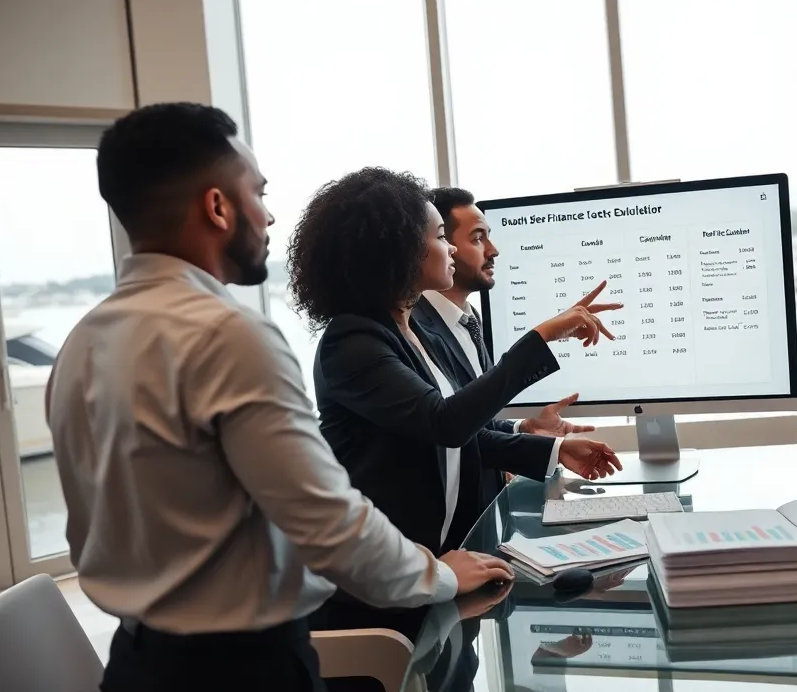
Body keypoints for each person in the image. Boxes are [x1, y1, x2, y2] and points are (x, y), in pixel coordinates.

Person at [45, 103, 511, 692]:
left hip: (137, 664)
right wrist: (438, 575)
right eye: (258, 194)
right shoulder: (228, 336)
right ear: (217, 207)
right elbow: (327, 523)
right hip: (243, 670)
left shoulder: (81, 344)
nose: (268, 217)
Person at [285, 168, 623, 635]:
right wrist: (543, 336)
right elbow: (443, 424)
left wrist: (550, 449)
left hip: (436, 569)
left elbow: (461, 435)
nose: (448, 249)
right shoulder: (353, 341)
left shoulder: (408, 332)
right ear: (401, 253)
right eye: (441, 236)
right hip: (382, 588)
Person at [416, 187, 595, 516]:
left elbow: (472, 419)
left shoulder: (469, 320)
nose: (493, 250)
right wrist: (553, 449)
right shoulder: (414, 329)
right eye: (478, 238)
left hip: (485, 520)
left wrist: (523, 428)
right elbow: (448, 428)